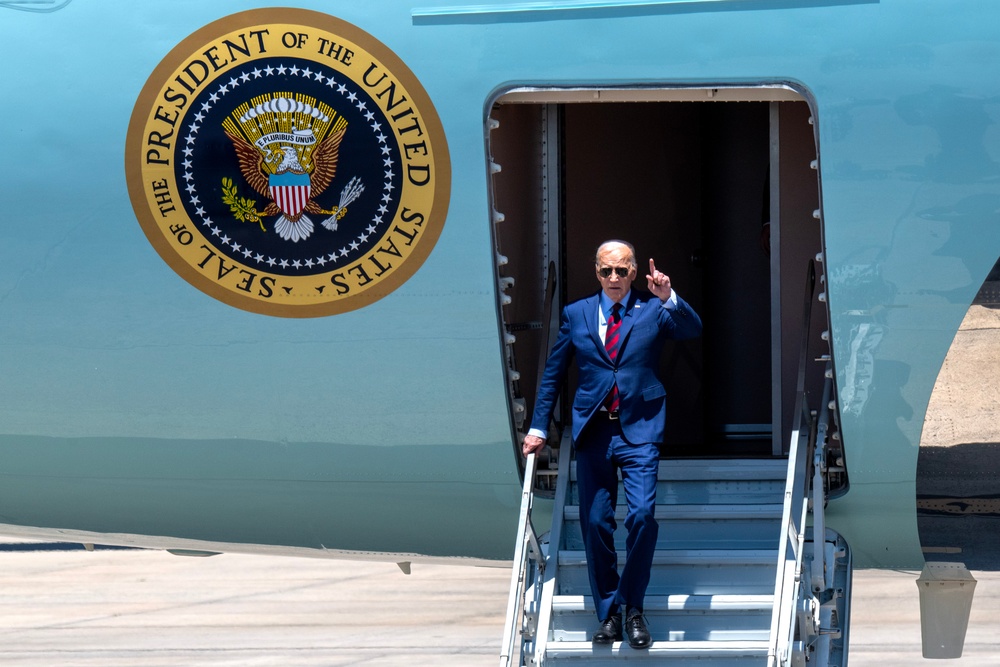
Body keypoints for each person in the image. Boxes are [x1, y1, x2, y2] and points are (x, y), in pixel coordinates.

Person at [522, 240, 702, 649]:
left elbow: (692, 329)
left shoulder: (654, 308)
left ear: (635, 271)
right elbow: (553, 374)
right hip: (594, 432)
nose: (615, 278)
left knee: (641, 516)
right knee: (596, 523)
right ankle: (609, 614)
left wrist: (669, 295)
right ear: (596, 273)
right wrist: (537, 426)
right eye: (607, 271)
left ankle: (632, 607)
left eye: (622, 270)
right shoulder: (576, 313)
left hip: (640, 430)